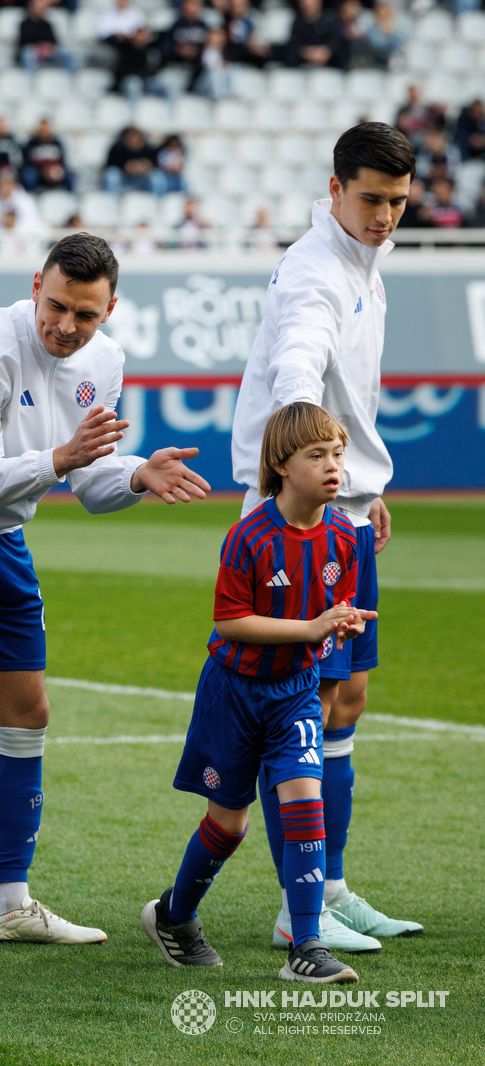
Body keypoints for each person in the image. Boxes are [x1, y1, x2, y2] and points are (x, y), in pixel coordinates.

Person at [0, 233, 210, 956]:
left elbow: (89, 484)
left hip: (0, 542)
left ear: (108, 308)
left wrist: (135, 476)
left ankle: (9, 900)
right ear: (35, 286)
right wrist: (62, 458)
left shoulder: (105, 361)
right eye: (56, 306)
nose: (66, 326)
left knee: (28, 713)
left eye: (85, 314)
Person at [231, 122, 423, 952]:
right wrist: (308, 487)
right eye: (373, 199)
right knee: (299, 714)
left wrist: (364, 489)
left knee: (345, 701)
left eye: (399, 203)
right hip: (300, 518)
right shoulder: (315, 274)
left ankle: (332, 887)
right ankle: (295, 909)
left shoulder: (364, 268)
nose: (385, 216)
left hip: (340, 508)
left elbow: (348, 397)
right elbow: (300, 375)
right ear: (337, 188)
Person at [143, 402, 370, 984]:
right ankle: (174, 916)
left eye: (337, 454)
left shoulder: (346, 536)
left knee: (304, 805)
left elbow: (327, 619)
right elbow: (229, 622)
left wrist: (337, 626)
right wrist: (314, 627)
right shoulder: (250, 535)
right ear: (280, 463)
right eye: (316, 455)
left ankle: (307, 946)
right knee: (230, 824)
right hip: (234, 692)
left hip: (294, 691)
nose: (332, 467)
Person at [17, 0, 74, 73]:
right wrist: (40, 48)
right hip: (34, 52)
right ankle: (31, 79)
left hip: (48, 53)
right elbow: (23, 43)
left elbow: (54, 41)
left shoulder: (47, 25)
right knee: (28, 53)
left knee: (70, 54)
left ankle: (69, 79)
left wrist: (48, 48)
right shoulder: (24, 24)